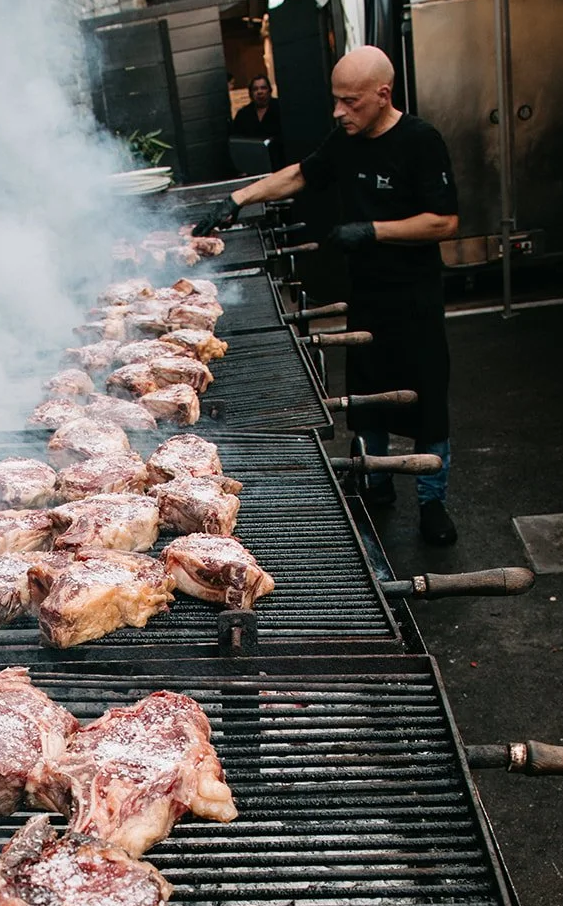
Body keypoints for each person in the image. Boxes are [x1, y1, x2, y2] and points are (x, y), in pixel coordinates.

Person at [194, 45, 459, 546]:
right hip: (367, 294)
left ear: (383, 95)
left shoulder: (421, 141)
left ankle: (432, 502)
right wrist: (237, 199)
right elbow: (299, 174)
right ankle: (376, 481)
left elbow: (444, 220)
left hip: (415, 297)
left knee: (428, 399)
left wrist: (373, 231)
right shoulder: (346, 139)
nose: (338, 112)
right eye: (335, 101)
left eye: (349, 102)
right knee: (367, 396)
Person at [230, 74, 286, 169]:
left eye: (263, 88)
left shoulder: (280, 108)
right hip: (253, 165)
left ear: (269, 90)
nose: (260, 92)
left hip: (279, 163)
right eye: (255, 89)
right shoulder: (243, 115)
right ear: (251, 93)